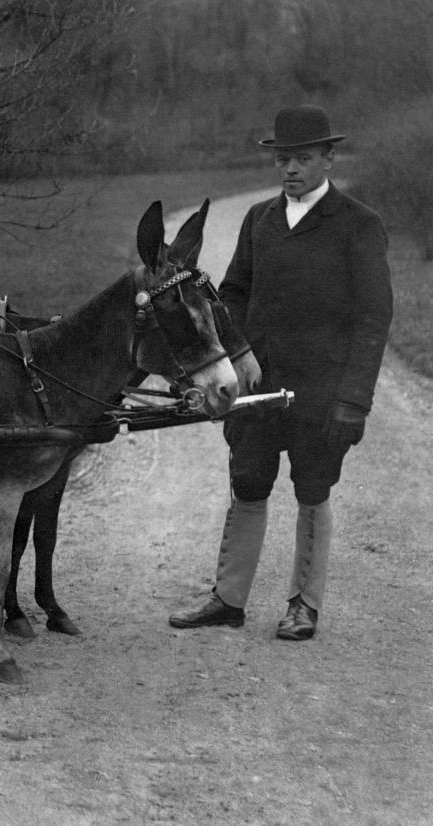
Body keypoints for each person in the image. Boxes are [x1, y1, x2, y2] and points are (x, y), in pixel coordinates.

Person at [169, 105, 393, 641]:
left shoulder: (359, 225)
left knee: (312, 489)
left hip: (322, 391)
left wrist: (353, 402)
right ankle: (228, 599)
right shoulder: (259, 220)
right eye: (283, 159)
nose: (290, 169)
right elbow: (234, 294)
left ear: (328, 159)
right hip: (259, 388)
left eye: (303, 158)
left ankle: (303, 606)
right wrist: (233, 360)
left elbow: (373, 318)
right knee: (247, 482)